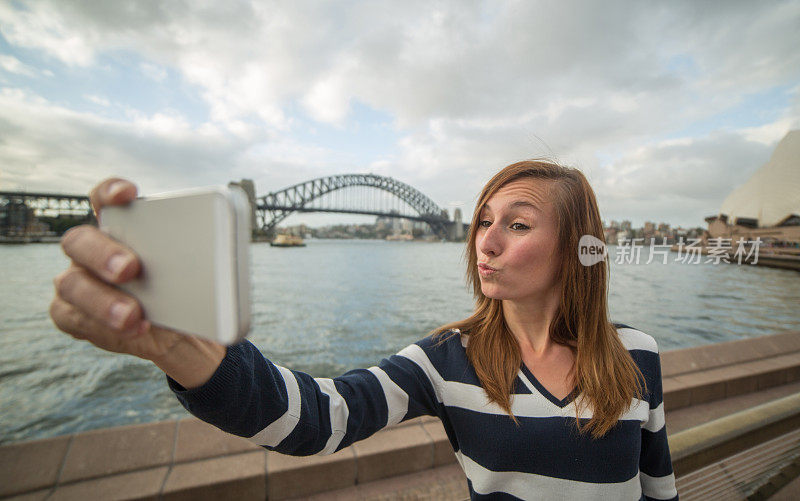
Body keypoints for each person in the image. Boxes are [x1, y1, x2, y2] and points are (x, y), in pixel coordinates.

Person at [50, 160, 679, 500]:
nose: (484, 241)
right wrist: (186, 351)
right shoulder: (447, 359)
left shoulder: (637, 356)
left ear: (573, 248)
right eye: (482, 220)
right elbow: (318, 419)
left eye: (517, 225)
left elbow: (658, 490)